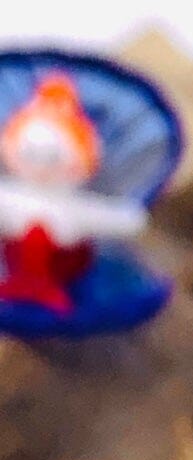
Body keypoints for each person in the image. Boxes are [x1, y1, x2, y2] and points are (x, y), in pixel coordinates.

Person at [0, 73, 145, 313]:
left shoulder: (76, 205)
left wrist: (126, 217)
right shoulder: (10, 195)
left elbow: (119, 218)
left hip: (67, 285)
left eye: (53, 157)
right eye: (31, 154)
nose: (42, 167)